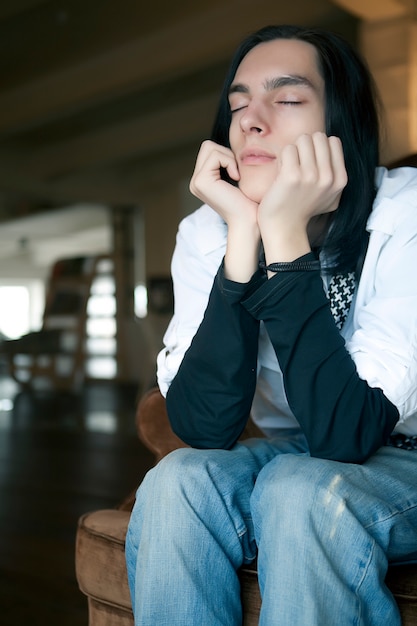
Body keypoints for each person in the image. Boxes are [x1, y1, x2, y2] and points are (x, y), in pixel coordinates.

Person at [125, 24, 417, 625]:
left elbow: (349, 433)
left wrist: (285, 238)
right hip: (298, 452)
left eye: (285, 100)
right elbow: (205, 427)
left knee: (304, 493)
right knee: (177, 481)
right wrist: (243, 235)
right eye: (237, 104)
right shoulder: (208, 230)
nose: (250, 120)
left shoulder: (406, 212)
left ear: (342, 124)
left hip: (399, 454)